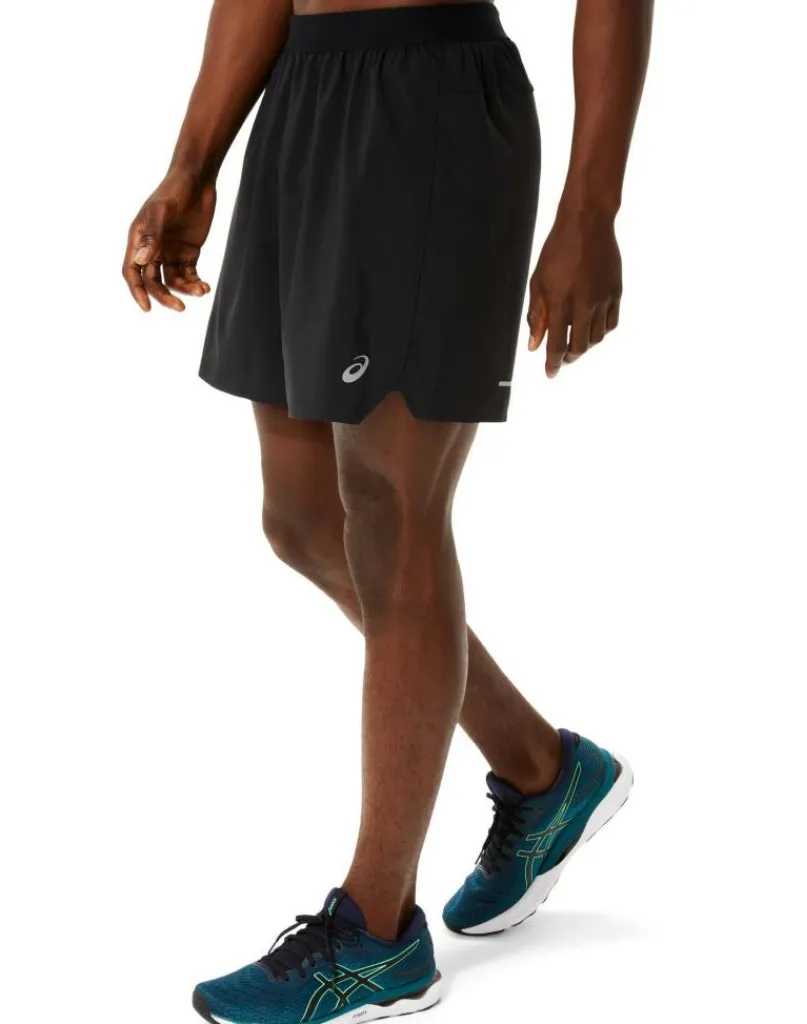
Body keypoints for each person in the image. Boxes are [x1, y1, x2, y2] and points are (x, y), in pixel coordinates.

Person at [122, 1, 652, 1020]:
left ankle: (376, 933)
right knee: (303, 521)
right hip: (302, 100)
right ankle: (543, 773)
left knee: (392, 511)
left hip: (429, 102)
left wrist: (592, 207)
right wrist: (192, 164)